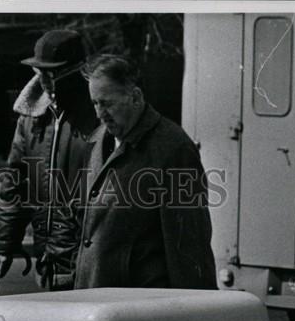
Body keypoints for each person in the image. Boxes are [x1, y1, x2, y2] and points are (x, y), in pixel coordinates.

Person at [74, 54, 217, 290]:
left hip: (141, 304)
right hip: (98, 298)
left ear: (136, 97)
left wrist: (197, 310)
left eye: (107, 103)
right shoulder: (100, 138)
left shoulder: (172, 148)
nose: (100, 113)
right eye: (95, 103)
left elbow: (189, 244)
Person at [0, 29, 98, 290]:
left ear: (79, 71)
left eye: (54, 73)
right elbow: (15, 183)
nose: (47, 81)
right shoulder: (30, 118)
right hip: (47, 260)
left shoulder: (98, 116)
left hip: (88, 262)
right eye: (42, 73)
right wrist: (6, 246)